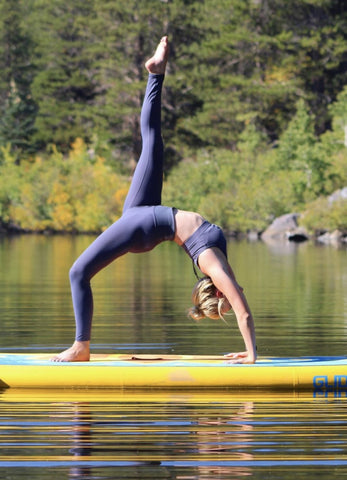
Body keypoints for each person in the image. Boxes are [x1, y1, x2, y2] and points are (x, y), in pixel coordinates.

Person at [52, 36, 257, 364]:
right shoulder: (218, 266)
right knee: (152, 143)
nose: (236, 299)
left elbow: (244, 314)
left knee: (78, 272)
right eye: (229, 305)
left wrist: (250, 353)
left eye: (227, 305)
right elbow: (244, 312)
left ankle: (81, 347)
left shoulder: (212, 264)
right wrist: (250, 354)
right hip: (145, 215)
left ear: (218, 292)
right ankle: (156, 73)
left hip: (145, 227)